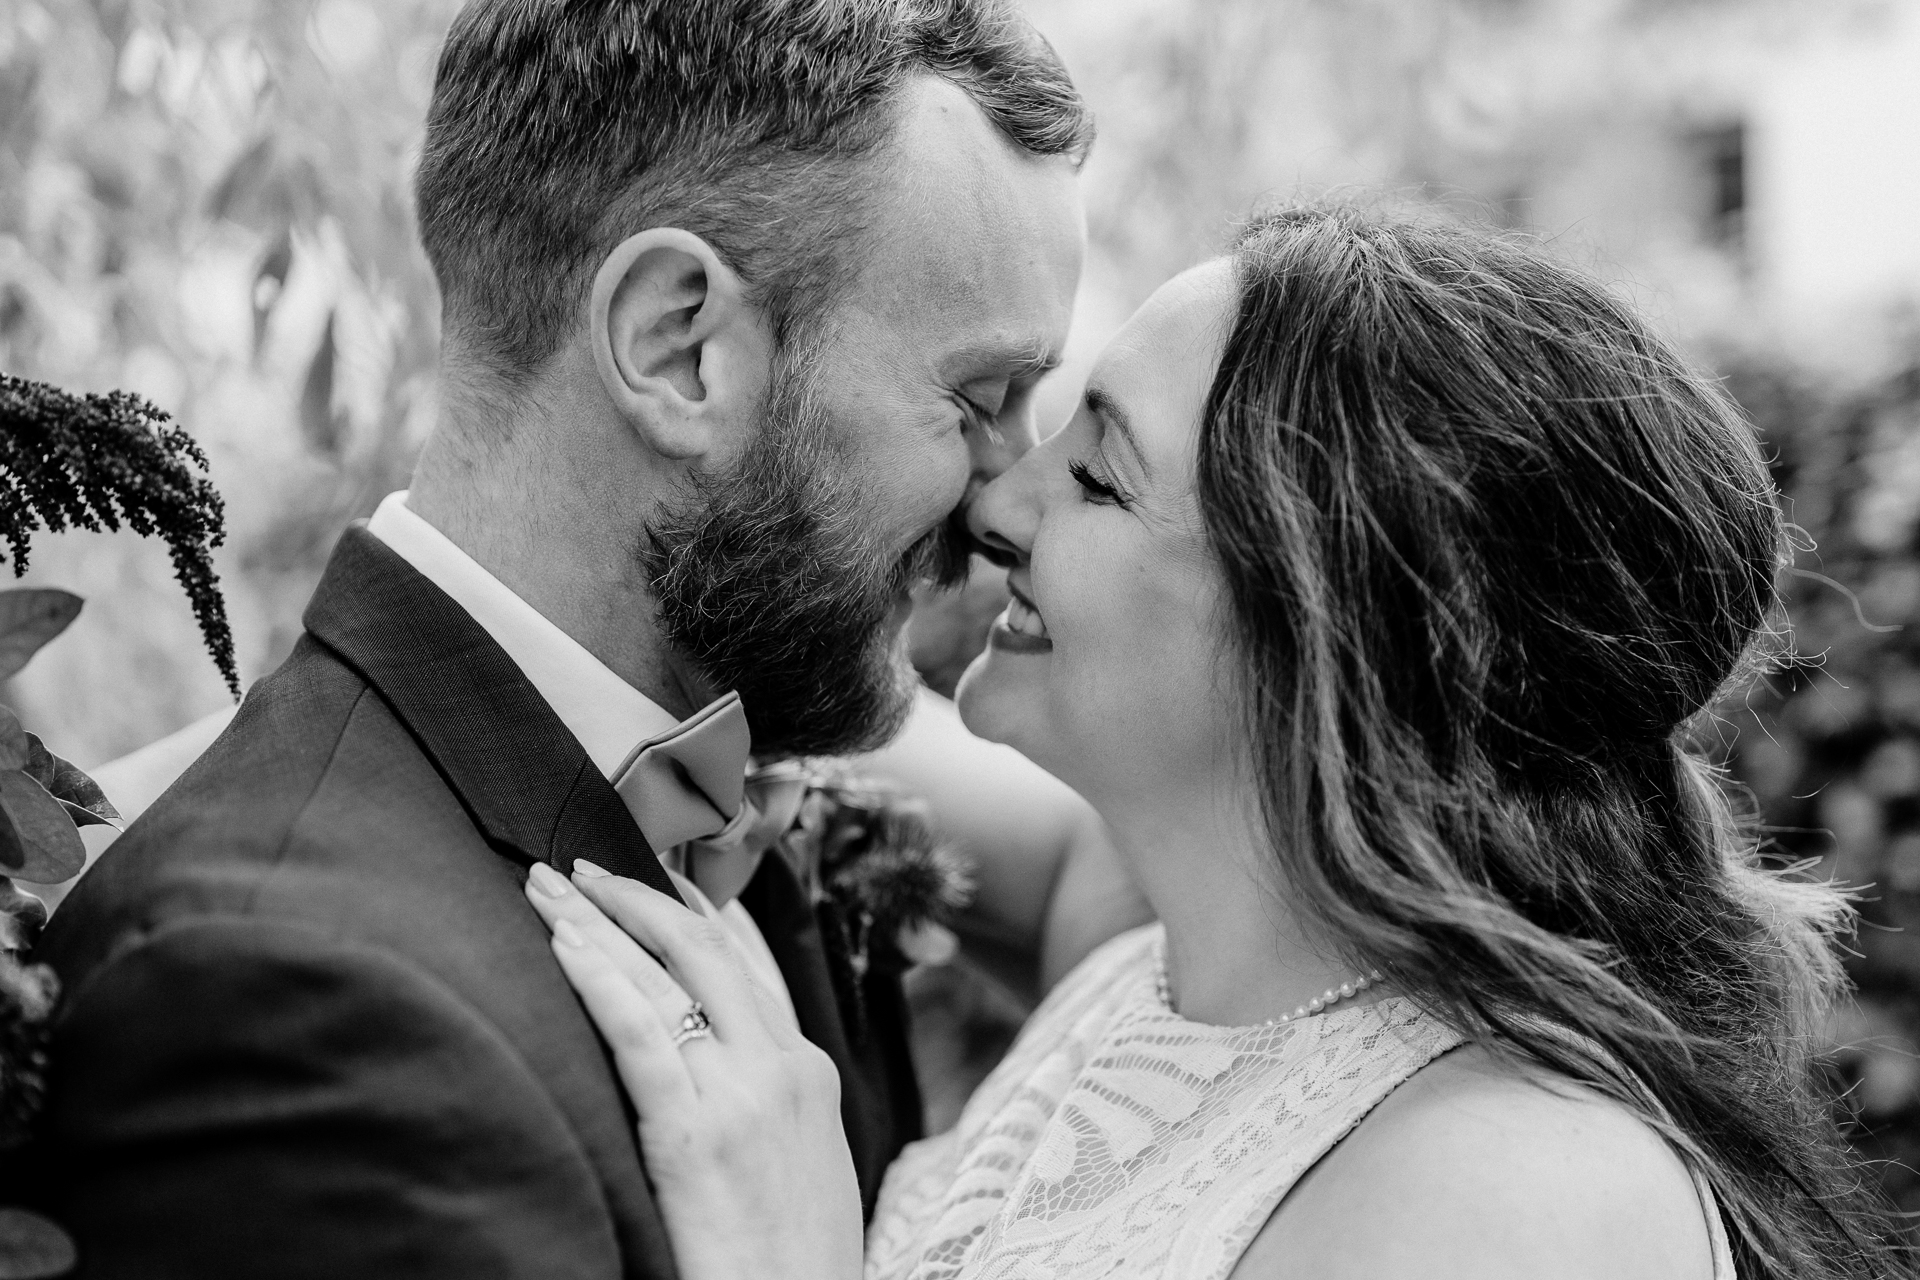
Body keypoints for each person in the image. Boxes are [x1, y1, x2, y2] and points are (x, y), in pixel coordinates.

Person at [526, 205, 1911, 1280]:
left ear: (1324, 631)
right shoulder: (1145, 956)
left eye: (1099, 473)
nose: (996, 501)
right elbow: (712, 678)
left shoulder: (1512, 1191)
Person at [15, 2, 1118, 1274]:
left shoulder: (728, 780)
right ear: (678, 344)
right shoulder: (279, 995)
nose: (1006, 497)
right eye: (979, 401)